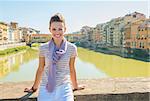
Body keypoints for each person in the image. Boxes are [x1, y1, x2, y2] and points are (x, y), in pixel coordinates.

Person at [24, 13, 84, 101]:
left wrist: (76, 86)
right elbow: (40, 69)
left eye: (60, 29)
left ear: (65, 29)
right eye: (54, 29)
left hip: (64, 87)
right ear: (50, 30)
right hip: (46, 87)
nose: (57, 32)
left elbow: (72, 69)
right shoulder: (43, 48)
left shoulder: (72, 48)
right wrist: (34, 88)